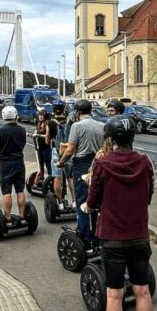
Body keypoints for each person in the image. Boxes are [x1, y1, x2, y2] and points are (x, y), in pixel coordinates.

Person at [82, 115, 155, 311]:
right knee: (142, 291)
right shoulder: (145, 162)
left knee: (114, 295)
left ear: (111, 139)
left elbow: (92, 200)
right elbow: (148, 196)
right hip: (139, 236)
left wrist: (88, 207)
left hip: (113, 238)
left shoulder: (102, 164)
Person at [57, 99, 104, 247]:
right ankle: (97, 236)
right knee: (96, 201)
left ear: (77, 112)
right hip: (98, 163)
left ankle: (84, 236)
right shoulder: (101, 125)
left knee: (82, 201)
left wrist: (61, 162)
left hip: (82, 164)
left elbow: (70, 150)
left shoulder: (77, 126)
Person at [0, 106, 27, 220]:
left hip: (6, 164)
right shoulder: (22, 129)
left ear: (3, 116)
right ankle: (21, 215)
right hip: (19, 162)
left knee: (6, 191)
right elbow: (23, 143)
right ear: (15, 115)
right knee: (20, 190)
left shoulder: (1, 131)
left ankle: (7, 217)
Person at [48, 100, 75, 207]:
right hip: (68, 150)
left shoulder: (51, 122)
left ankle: (60, 203)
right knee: (70, 177)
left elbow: (47, 140)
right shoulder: (70, 121)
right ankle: (74, 202)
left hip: (57, 151)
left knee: (57, 177)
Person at [33, 109, 53, 185]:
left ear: (45, 116)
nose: (40, 117)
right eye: (39, 115)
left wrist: (38, 135)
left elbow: (49, 136)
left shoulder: (47, 124)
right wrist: (32, 134)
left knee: (48, 164)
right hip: (39, 147)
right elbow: (35, 132)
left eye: (42, 115)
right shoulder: (38, 123)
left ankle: (51, 179)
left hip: (46, 147)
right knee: (40, 163)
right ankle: (41, 178)